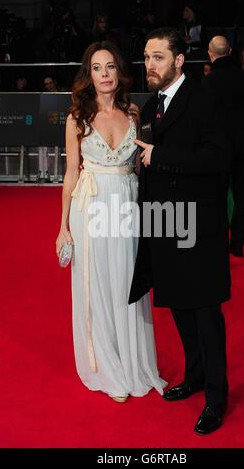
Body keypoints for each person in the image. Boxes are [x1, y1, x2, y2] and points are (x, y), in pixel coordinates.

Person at [129, 28, 231, 434]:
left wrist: (161, 157)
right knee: (178, 305)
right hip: (164, 222)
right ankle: (196, 375)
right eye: (146, 56)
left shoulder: (205, 98)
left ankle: (217, 397)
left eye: (157, 57)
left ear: (178, 60)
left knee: (206, 313)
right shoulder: (153, 103)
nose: (149, 64)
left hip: (198, 224)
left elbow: (219, 157)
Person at [55, 41, 166, 403]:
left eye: (110, 67)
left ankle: (133, 362)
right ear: (88, 75)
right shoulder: (77, 117)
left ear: (119, 72)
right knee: (98, 286)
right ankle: (106, 366)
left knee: (127, 284)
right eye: (97, 68)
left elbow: (139, 168)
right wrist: (62, 226)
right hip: (90, 206)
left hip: (127, 209)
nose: (104, 74)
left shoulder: (134, 113)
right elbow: (71, 173)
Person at [203, 36, 244, 257]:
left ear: (210, 54)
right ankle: (238, 243)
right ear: (231, 51)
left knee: (217, 196)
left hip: (219, 149)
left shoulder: (208, 82)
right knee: (241, 195)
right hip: (243, 146)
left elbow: (204, 119)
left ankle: (218, 242)